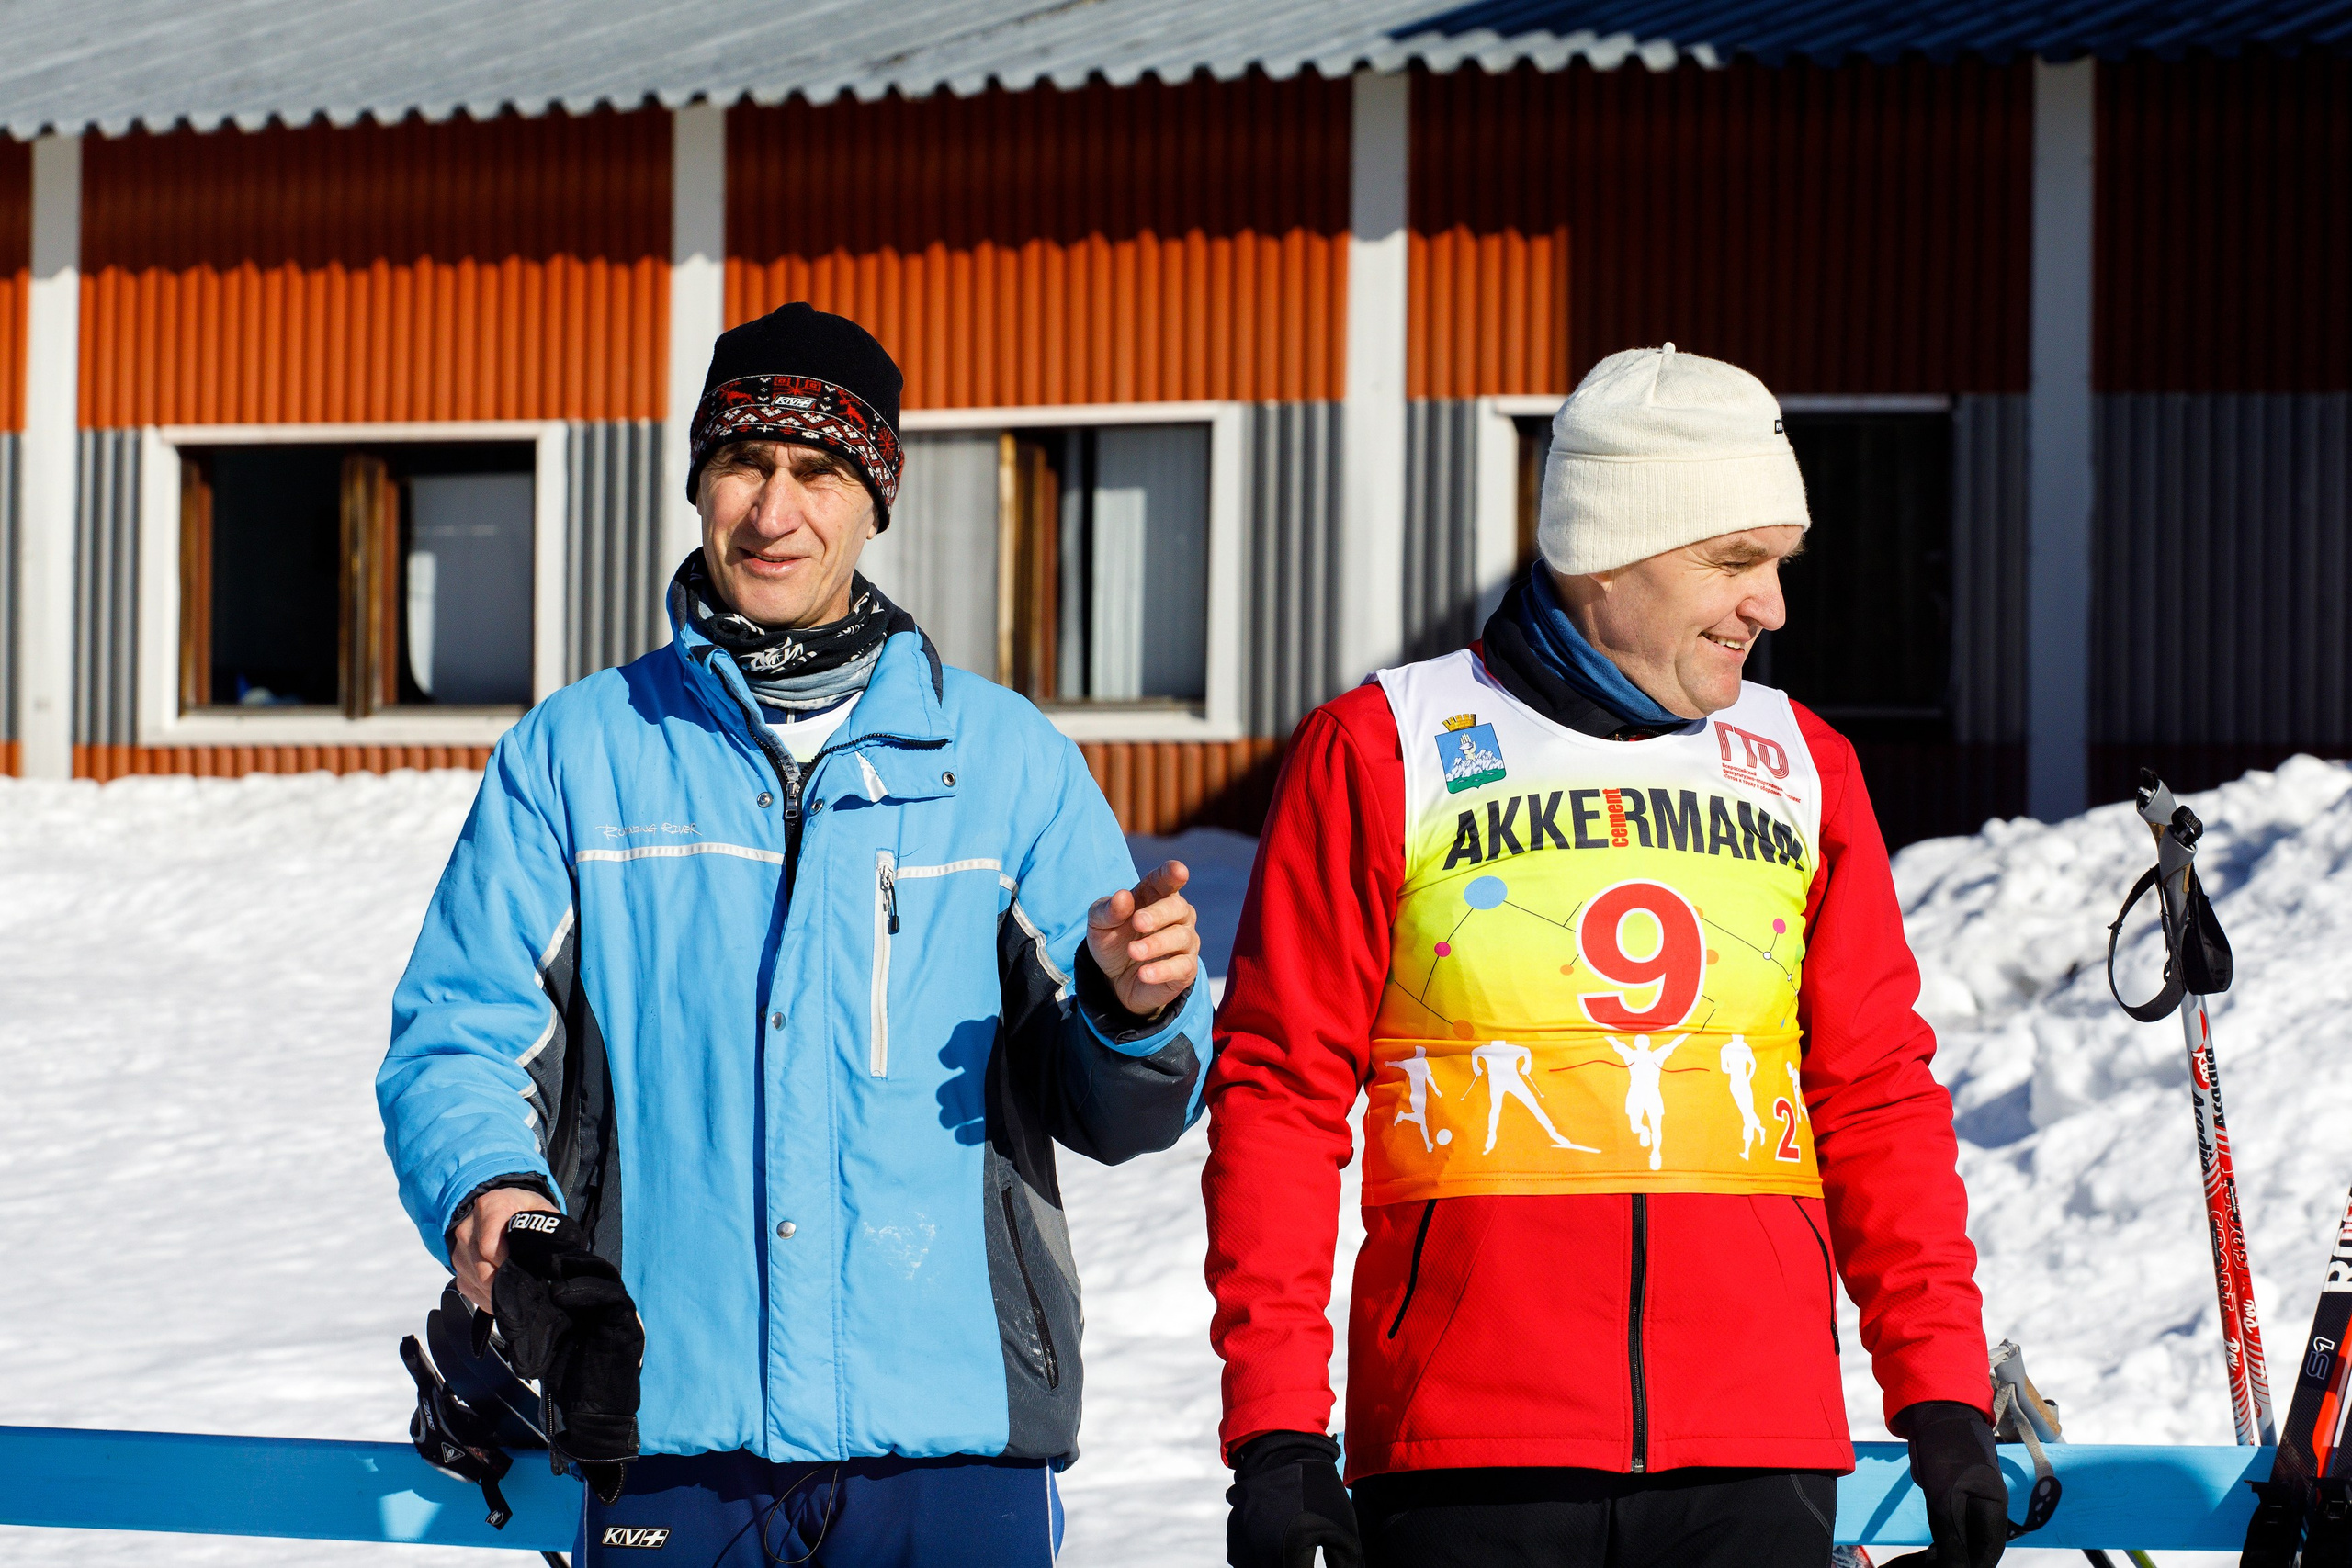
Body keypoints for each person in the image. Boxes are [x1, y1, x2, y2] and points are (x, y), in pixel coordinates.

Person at [379, 303, 1212, 1567]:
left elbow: (1125, 1110)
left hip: (952, 1448)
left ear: (874, 500)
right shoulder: (582, 757)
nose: (775, 511)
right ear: (700, 482)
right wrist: (509, 1219)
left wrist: (1133, 1010)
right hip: (669, 1437)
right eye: (744, 465)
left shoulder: (1001, 766)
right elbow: (458, 1039)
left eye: (818, 471)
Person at [1206, 344, 2007, 1568]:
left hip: (1757, 1455)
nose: (1771, 608)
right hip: (1468, 1457)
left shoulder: (1804, 766)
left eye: (1776, 567)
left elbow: (1876, 1096)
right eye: (1733, 564)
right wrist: (1275, 1433)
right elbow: (1280, 1093)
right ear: (1603, 554)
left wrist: (1941, 1393)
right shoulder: (1385, 748)